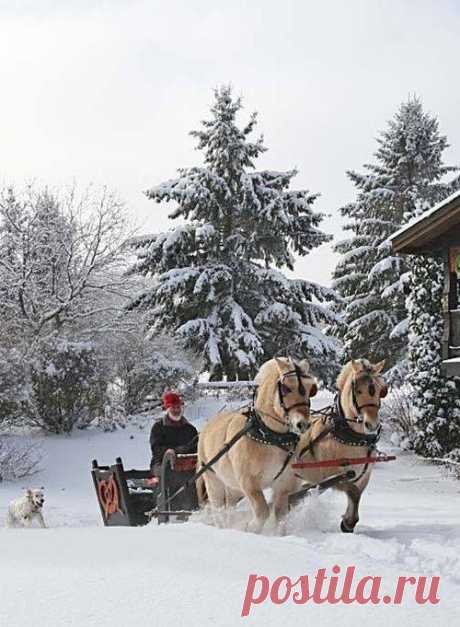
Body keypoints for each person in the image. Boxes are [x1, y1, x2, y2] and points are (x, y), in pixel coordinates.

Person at [149, 391, 198, 474]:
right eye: (173, 407)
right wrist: (174, 451)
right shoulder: (158, 427)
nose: (176, 410)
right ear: (167, 409)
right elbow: (156, 449)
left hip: (188, 464)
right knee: (168, 473)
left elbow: (196, 447)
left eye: (178, 407)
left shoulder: (190, 429)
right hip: (162, 463)